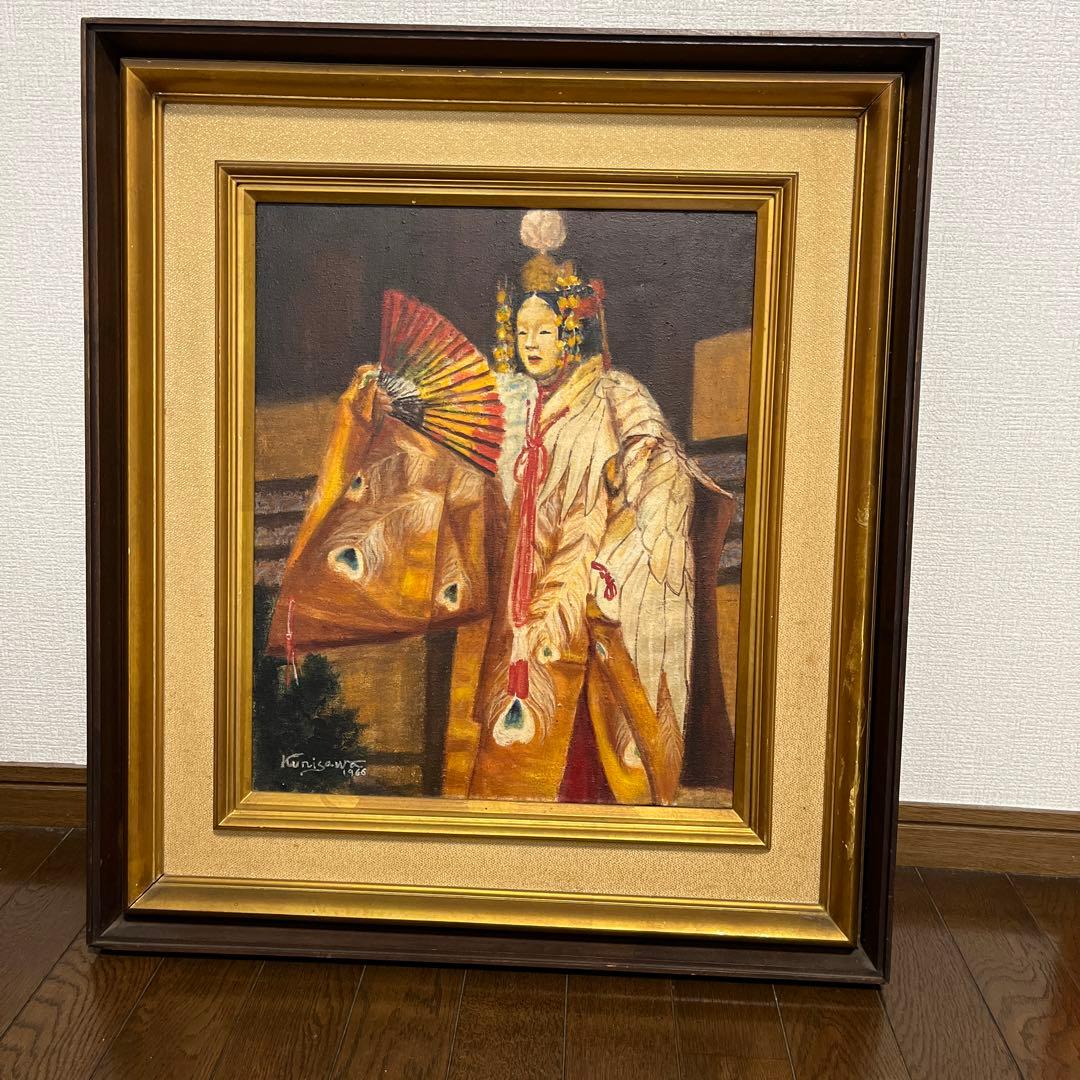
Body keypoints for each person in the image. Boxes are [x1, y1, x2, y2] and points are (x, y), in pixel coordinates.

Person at [445, 210, 702, 805]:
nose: (531, 345)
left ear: (570, 333)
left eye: (544, 331)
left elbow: (660, 461)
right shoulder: (505, 404)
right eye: (522, 333)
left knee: (580, 739)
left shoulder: (614, 393)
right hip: (515, 592)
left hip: (586, 583)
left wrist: (629, 480)